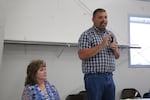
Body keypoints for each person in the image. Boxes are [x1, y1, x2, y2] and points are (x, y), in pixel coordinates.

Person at [78, 8, 120, 100]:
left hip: (109, 76)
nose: (104, 20)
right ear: (93, 20)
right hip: (94, 78)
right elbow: (82, 55)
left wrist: (115, 50)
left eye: (105, 17)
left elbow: (117, 56)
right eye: (100, 17)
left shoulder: (111, 34)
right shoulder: (87, 35)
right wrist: (102, 45)